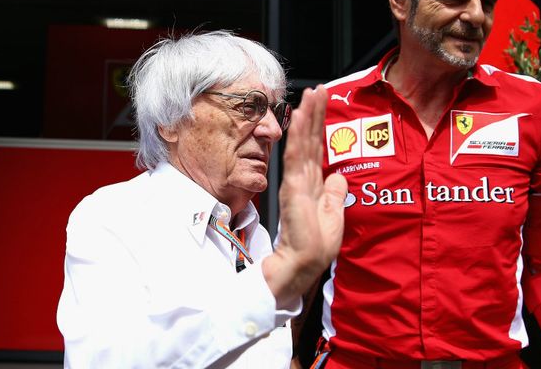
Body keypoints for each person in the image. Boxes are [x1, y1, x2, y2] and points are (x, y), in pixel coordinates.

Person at [309, 0, 541, 368]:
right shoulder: (328, 109)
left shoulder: (537, 109)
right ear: (401, 0)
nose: (476, 15)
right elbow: (298, 258)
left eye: (487, 1)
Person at [57, 30, 347, 368]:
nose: (273, 130)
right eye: (249, 105)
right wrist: (274, 283)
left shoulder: (251, 231)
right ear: (171, 120)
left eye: (275, 110)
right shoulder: (114, 217)